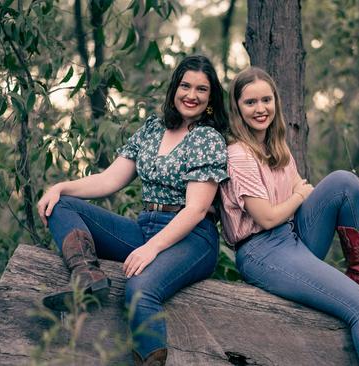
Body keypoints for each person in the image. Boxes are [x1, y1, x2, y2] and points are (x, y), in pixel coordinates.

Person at [36, 55, 228, 366]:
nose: (191, 95)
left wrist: (151, 249)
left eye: (201, 90)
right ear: (174, 89)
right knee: (64, 206)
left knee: (140, 289)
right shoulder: (152, 128)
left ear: (210, 98)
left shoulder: (208, 138)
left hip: (192, 237)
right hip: (146, 227)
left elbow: (195, 209)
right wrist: (60, 187)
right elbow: (110, 179)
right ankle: (87, 279)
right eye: (185, 86)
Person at [219, 67, 359, 366]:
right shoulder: (239, 154)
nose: (260, 109)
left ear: (276, 102)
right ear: (237, 107)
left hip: (293, 238)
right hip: (262, 252)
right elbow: (266, 218)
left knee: (345, 182)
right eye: (250, 102)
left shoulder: (276, 147)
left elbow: (304, 190)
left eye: (266, 100)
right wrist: (297, 197)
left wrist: (357, 214)